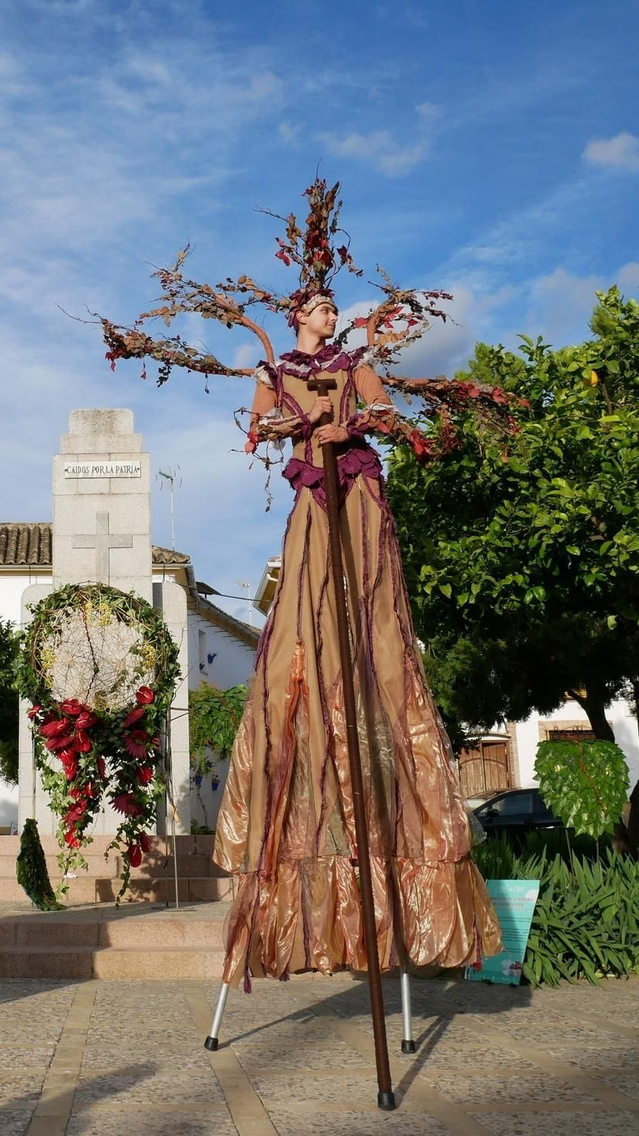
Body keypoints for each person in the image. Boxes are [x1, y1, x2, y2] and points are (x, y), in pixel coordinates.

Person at [215, 284, 501, 984]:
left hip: (359, 498)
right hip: (316, 503)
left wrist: (350, 426)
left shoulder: (355, 362)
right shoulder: (274, 371)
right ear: (295, 315)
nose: (330, 314)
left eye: (333, 306)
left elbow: (383, 413)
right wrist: (291, 422)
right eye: (318, 306)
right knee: (302, 626)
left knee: (370, 618)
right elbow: (256, 428)